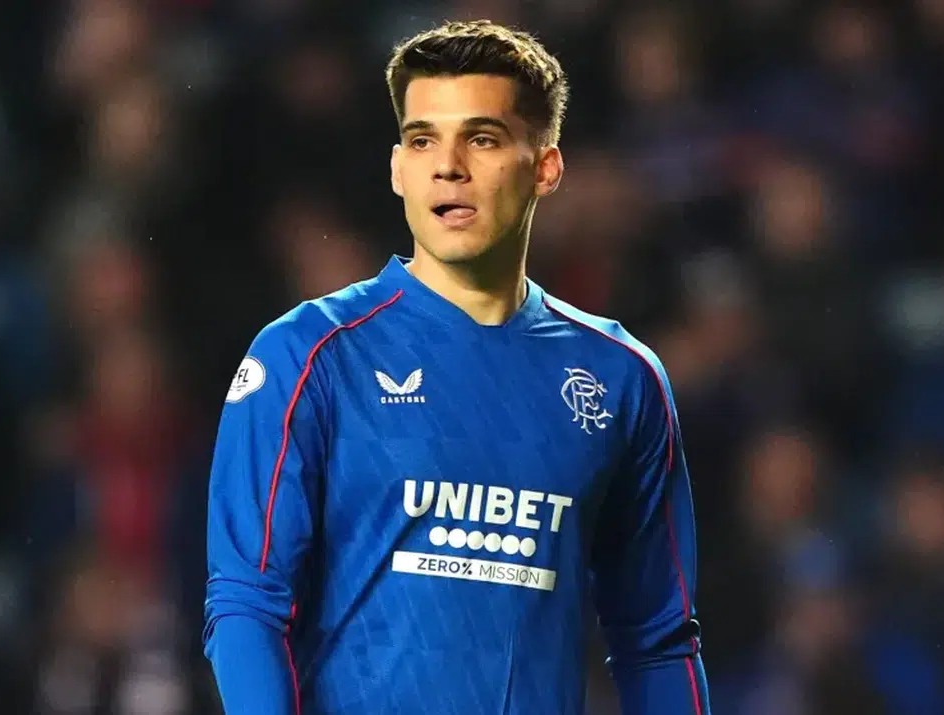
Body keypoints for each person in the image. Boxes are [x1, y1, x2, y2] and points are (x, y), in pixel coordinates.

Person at [203, 19, 710, 715]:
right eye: (422, 140)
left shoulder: (621, 378)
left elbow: (657, 640)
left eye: (482, 138)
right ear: (397, 169)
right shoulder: (308, 356)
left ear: (545, 167)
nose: (447, 166)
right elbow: (246, 605)